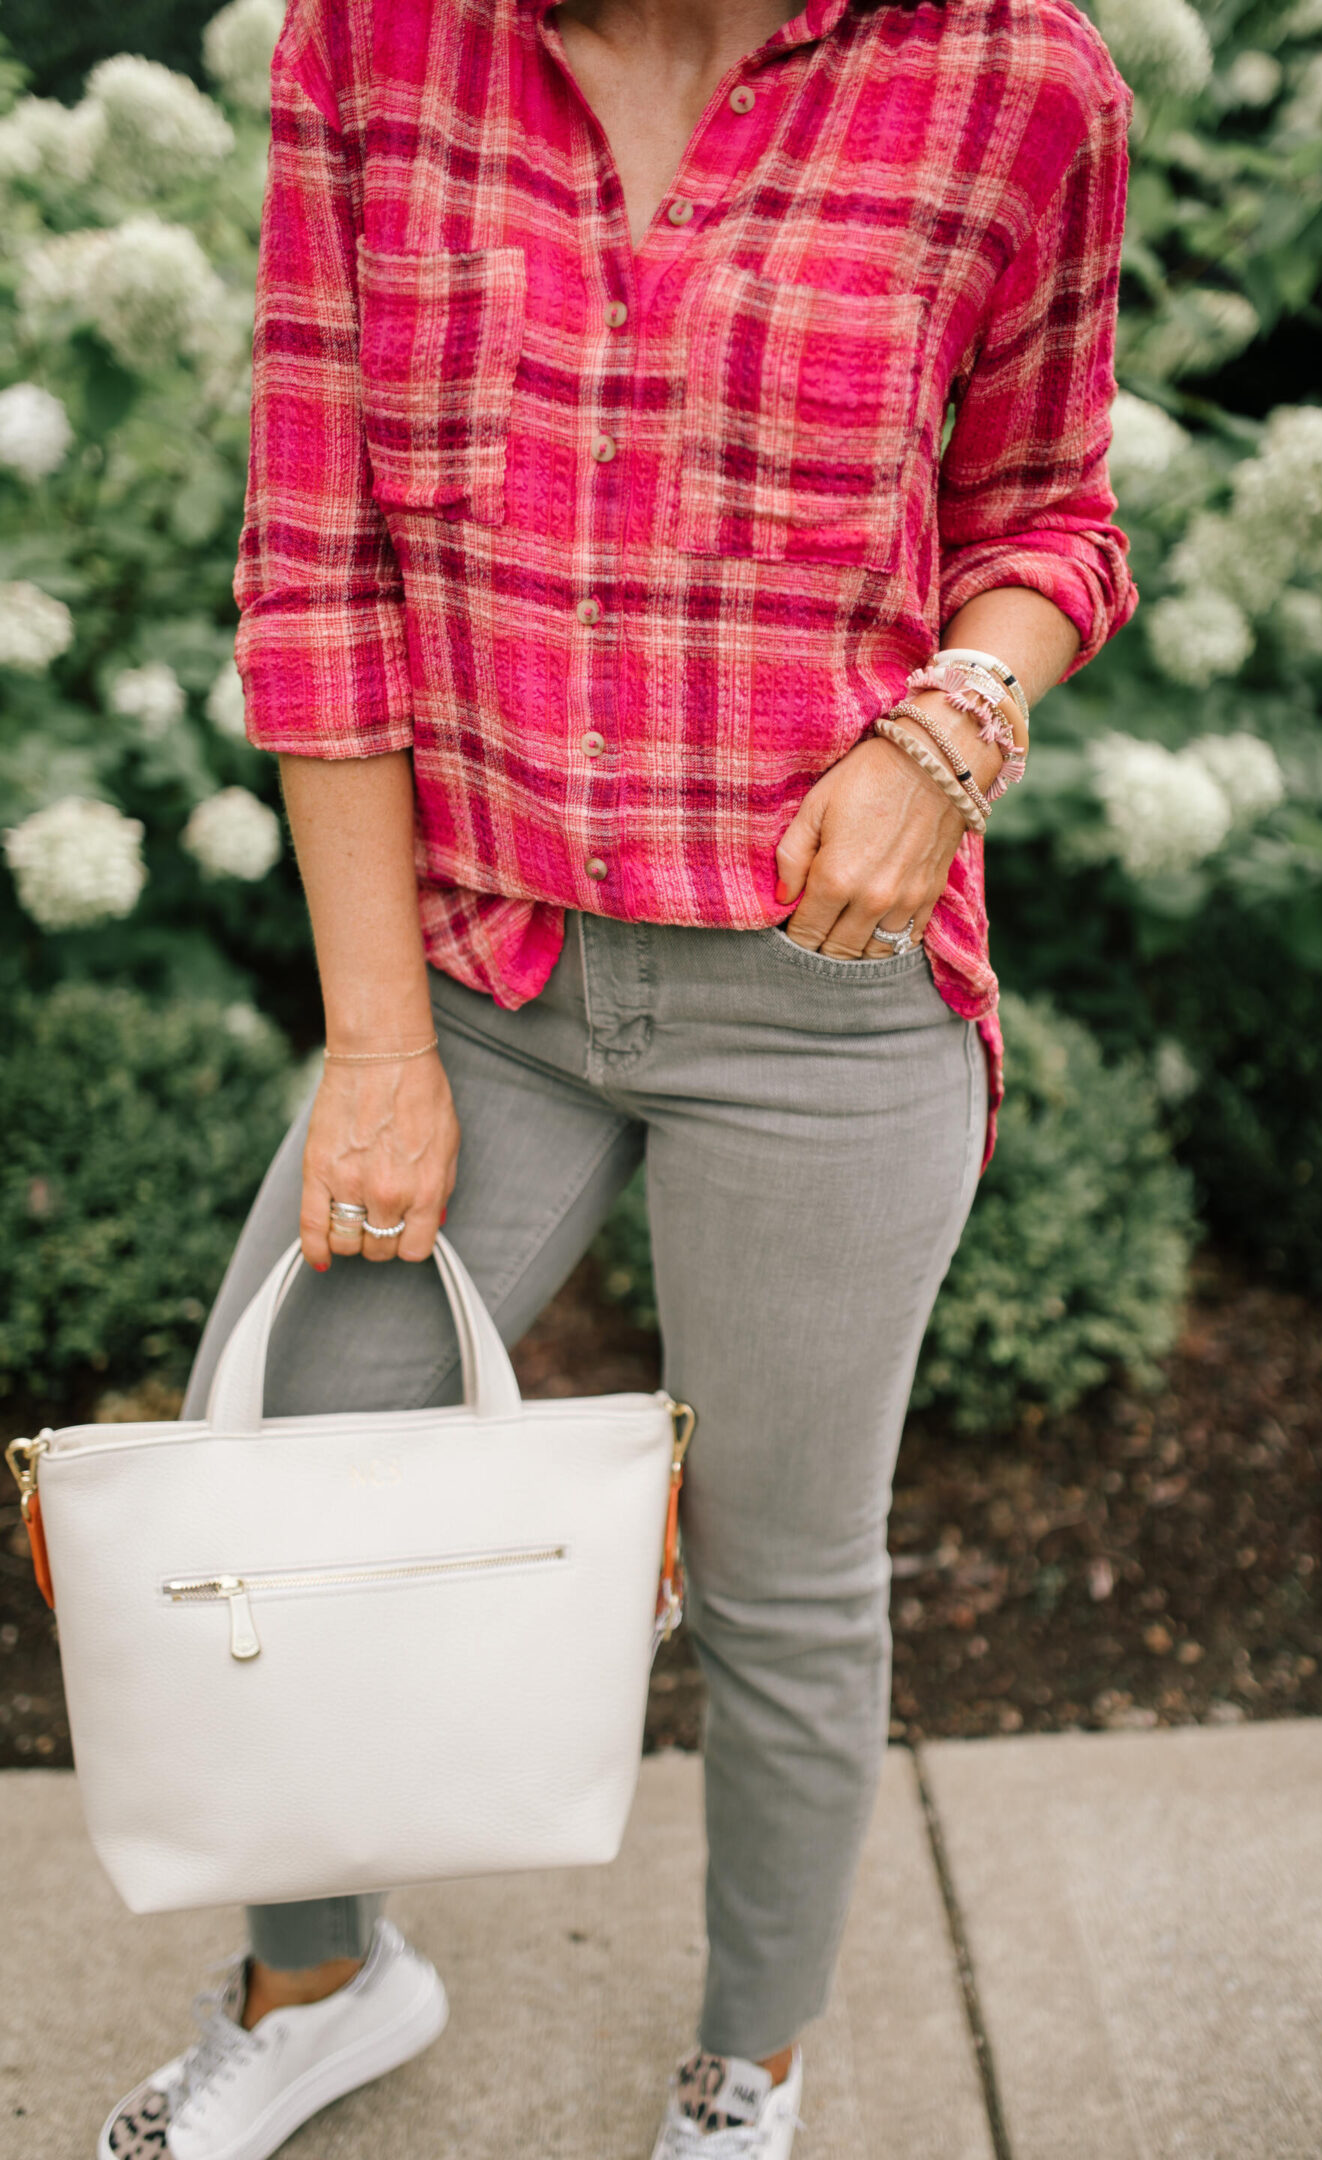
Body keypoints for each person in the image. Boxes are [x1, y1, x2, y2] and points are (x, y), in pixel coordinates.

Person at [99, 0, 1135, 2151]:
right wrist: (378, 1042)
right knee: (284, 1480)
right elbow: (320, 570)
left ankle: (743, 2072)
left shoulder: (1018, 82)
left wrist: (949, 730)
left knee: (783, 1574)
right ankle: (322, 1984)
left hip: (827, 1009)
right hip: (475, 968)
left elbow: (1049, 520)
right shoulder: (373, 47)